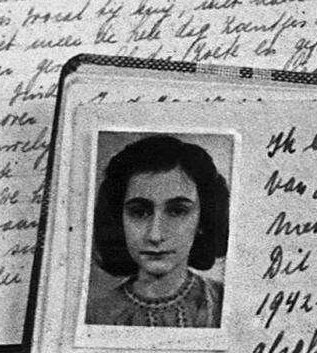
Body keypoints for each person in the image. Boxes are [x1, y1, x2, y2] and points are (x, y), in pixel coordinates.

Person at [86, 133, 229, 327]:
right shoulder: (96, 314)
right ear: (119, 220)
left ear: (203, 220)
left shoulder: (224, 303)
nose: (155, 235)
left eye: (177, 211)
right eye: (139, 212)